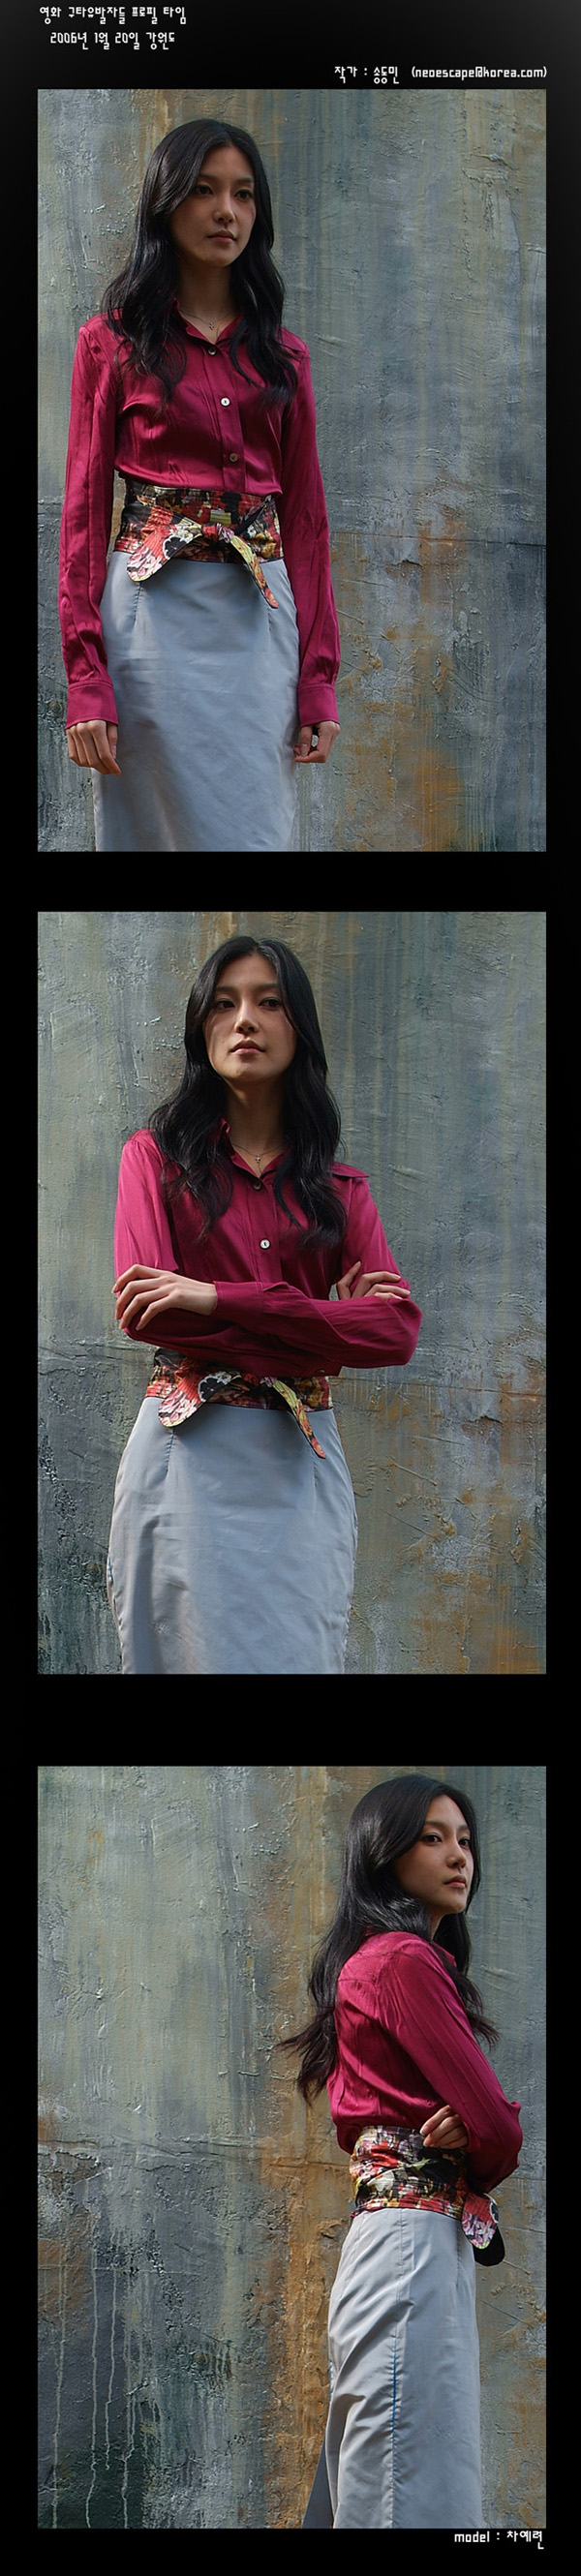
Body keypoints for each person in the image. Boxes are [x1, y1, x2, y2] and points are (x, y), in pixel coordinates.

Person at [107, 934, 422, 1675]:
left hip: (297, 1464)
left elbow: (395, 1331)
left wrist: (214, 1294)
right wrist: (323, 1327)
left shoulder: (343, 1192)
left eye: (268, 1002)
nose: (244, 1019)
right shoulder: (152, 1159)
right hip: (182, 1460)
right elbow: (151, 1312)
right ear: (202, 1027)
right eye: (224, 1003)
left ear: (299, 1027)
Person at [58, 118, 341, 852]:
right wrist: (87, 679)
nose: (227, 212)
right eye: (205, 191)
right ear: (166, 203)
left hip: (259, 625)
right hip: (148, 627)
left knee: (258, 834)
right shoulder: (109, 343)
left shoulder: (285, 358)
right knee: (146, 840)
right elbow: (83, 519)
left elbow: (306, 523)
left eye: (244, 195)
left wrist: (318, 678)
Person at [279, 1773, 523, 2528]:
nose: (459, 1856)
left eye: (466, 1840)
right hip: (412, 2244)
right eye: (433, 1837)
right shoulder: (400, 1960)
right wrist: (476, 2133)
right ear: (385, 1853)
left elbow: (482, 2125)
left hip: (401, 2239)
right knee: (408, 2492)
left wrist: (472, 2132)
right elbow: (499, 2129)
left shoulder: (380, 1963)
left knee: (383, 2482)